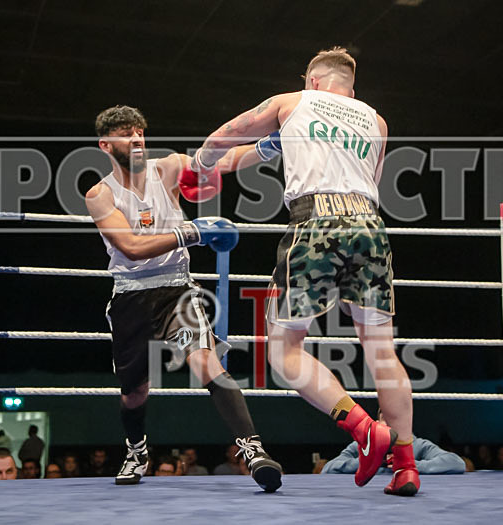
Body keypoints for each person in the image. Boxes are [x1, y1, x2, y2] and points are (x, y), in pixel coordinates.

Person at [192, 47, 419, 496]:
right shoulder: (376, 120)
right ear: (350, 88)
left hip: (317, 221)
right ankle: (406, 466)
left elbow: (227, 134)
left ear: (312, 81)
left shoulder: (292, 101)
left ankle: (363, 428)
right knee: (382, 353)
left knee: (283, 350)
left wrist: (201, 161)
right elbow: (372, 179)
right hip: (371, 226)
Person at [85, 105, 281, 491]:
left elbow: (218, 163)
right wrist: (191, 232)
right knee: (134, 392)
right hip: (130, 296)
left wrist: (267, 148)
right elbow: (129, 247)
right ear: (106, 144)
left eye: (140, 131)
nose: (137, 138)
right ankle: (137, 450)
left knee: (206, 362)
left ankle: (253, 448)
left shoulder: (168, 168)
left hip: (177, 288)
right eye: (126, 133)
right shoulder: (100, 195)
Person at [322, 410, 465, 475]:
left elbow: (456, 463)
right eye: (386, 418)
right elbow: (328, 468)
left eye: (396, 418)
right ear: (377, 423)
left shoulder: (418, 445)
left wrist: (406, 464)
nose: (391, 422)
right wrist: (370, 461)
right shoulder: (362, 444)